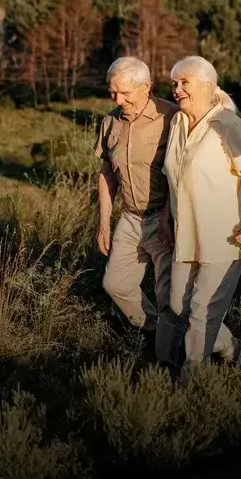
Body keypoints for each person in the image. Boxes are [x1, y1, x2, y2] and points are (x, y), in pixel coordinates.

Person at [160, 55, 241, 380]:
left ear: (207, 85)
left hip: (224, 237)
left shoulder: (226, 124)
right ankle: (235, 350)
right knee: (179, 308)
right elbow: (176, 175)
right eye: (174, 84)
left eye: (184, 83)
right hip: (186, 235)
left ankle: (191, 382)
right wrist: (167, 213)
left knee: (202, 313)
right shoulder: (178, 123)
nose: (177, 89)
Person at [94, 57, 178, 361]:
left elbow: (182, 174)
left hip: (165, 218)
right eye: (112, 92)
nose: (118, 99)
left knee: (169, 296)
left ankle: (171, 360)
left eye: (125, 93)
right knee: (114, 283)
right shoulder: (110, 121)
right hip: (129, 217)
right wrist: (104, 222)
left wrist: (170, 217)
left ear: (146, 87)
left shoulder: (172, 118)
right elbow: (106, 174)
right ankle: (156, 331)